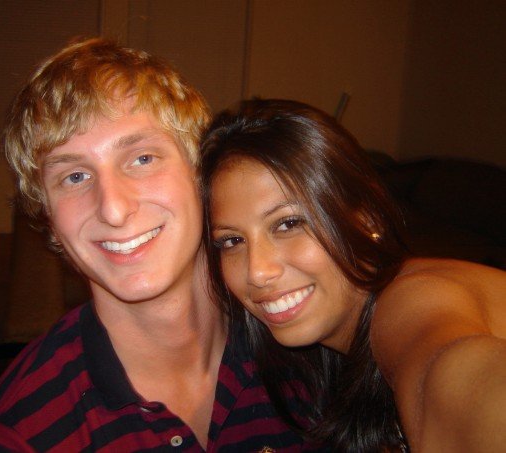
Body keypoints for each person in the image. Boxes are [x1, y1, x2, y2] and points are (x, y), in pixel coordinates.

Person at [0, 41, 324, 451]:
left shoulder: (306, 344)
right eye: (75, 177)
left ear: (201, 173)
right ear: (48, 215)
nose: (114, 209)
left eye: (142, 159)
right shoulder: (19, 433)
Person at [200, 98, 506, 452]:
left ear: (367, 220)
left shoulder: (409, 301)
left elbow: (449, 373)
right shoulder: (320, 357)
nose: (257, 271)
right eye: (232, 241)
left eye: (288, 223)